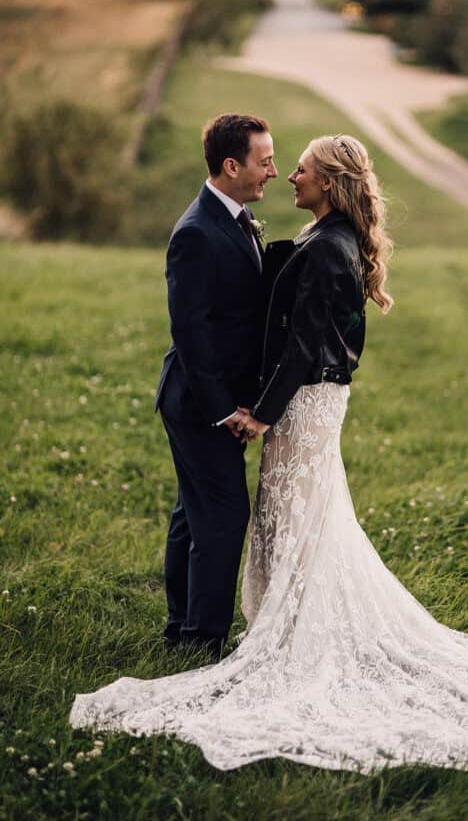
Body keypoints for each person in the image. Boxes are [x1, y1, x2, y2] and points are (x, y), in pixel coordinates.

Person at [71, 135, 468, 773]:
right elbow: (267, 294)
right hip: (287, 403)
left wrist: (262, 412)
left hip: (303, 405)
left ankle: (263, 638)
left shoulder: (332, 247)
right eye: (279, 163)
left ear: (329, 184)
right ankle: (240, 630)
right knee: (274, 520)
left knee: (295, 521)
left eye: (300, 168)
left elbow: (308, 343)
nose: (289, 176)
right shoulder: (318, 237)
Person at [153, 112, 277, 662]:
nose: (273, 170)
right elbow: (191, 332)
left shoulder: (236, 216)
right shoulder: (197, 233)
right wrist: (224, 408)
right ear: (232, 166)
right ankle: (203, 641)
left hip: (210, 399)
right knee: (224, 516)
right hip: (201, 402)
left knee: (193, 512)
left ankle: (182, 626)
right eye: (265, 160)